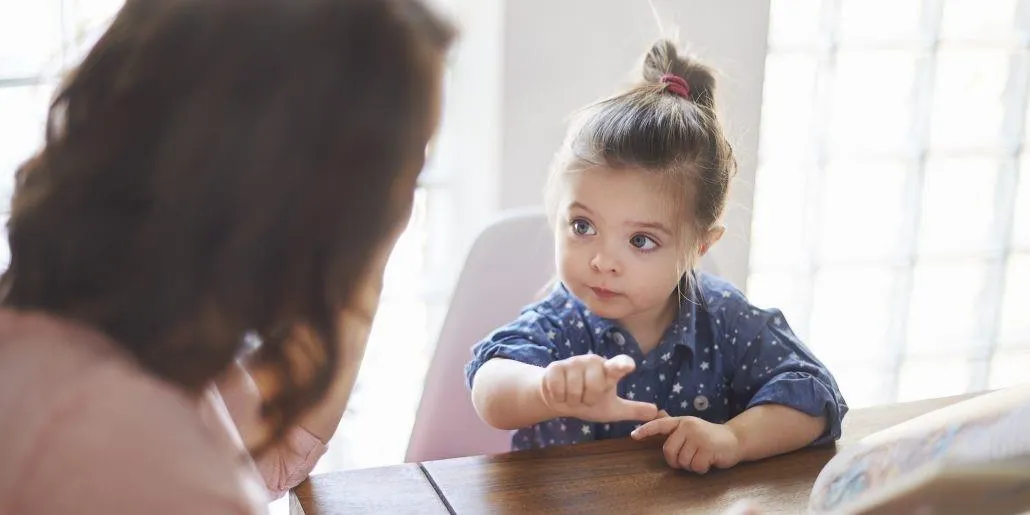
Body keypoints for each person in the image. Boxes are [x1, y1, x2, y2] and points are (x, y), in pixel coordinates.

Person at [0, 0, 453, 513]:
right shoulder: (141, 463)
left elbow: (270, 448)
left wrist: (361, 271)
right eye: (396, 179)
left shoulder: (71, 329)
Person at [465, 39, 848, 474]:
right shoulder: (560, 322)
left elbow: (815, 396)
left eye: (641, 241)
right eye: (583, 227)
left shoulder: (724, 319)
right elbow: (489, 386)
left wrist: (735, 438)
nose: (602, 261)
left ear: (699, 247)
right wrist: (546, 390)